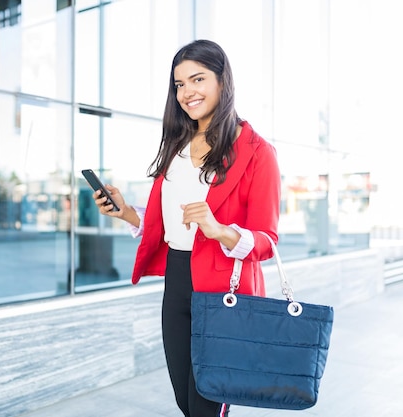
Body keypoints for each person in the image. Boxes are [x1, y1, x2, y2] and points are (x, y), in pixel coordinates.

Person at [92, 40, 280, 417]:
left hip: (224, 288)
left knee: (208, 403)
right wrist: (127, 212)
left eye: (197, 79)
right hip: (177, 282)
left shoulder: (257, 151)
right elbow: (170, 223)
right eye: (179, 84)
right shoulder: (177, 146)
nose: (187, 92)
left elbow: (267, 242)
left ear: (222, 81)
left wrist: (220, 229)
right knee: (185, 399)